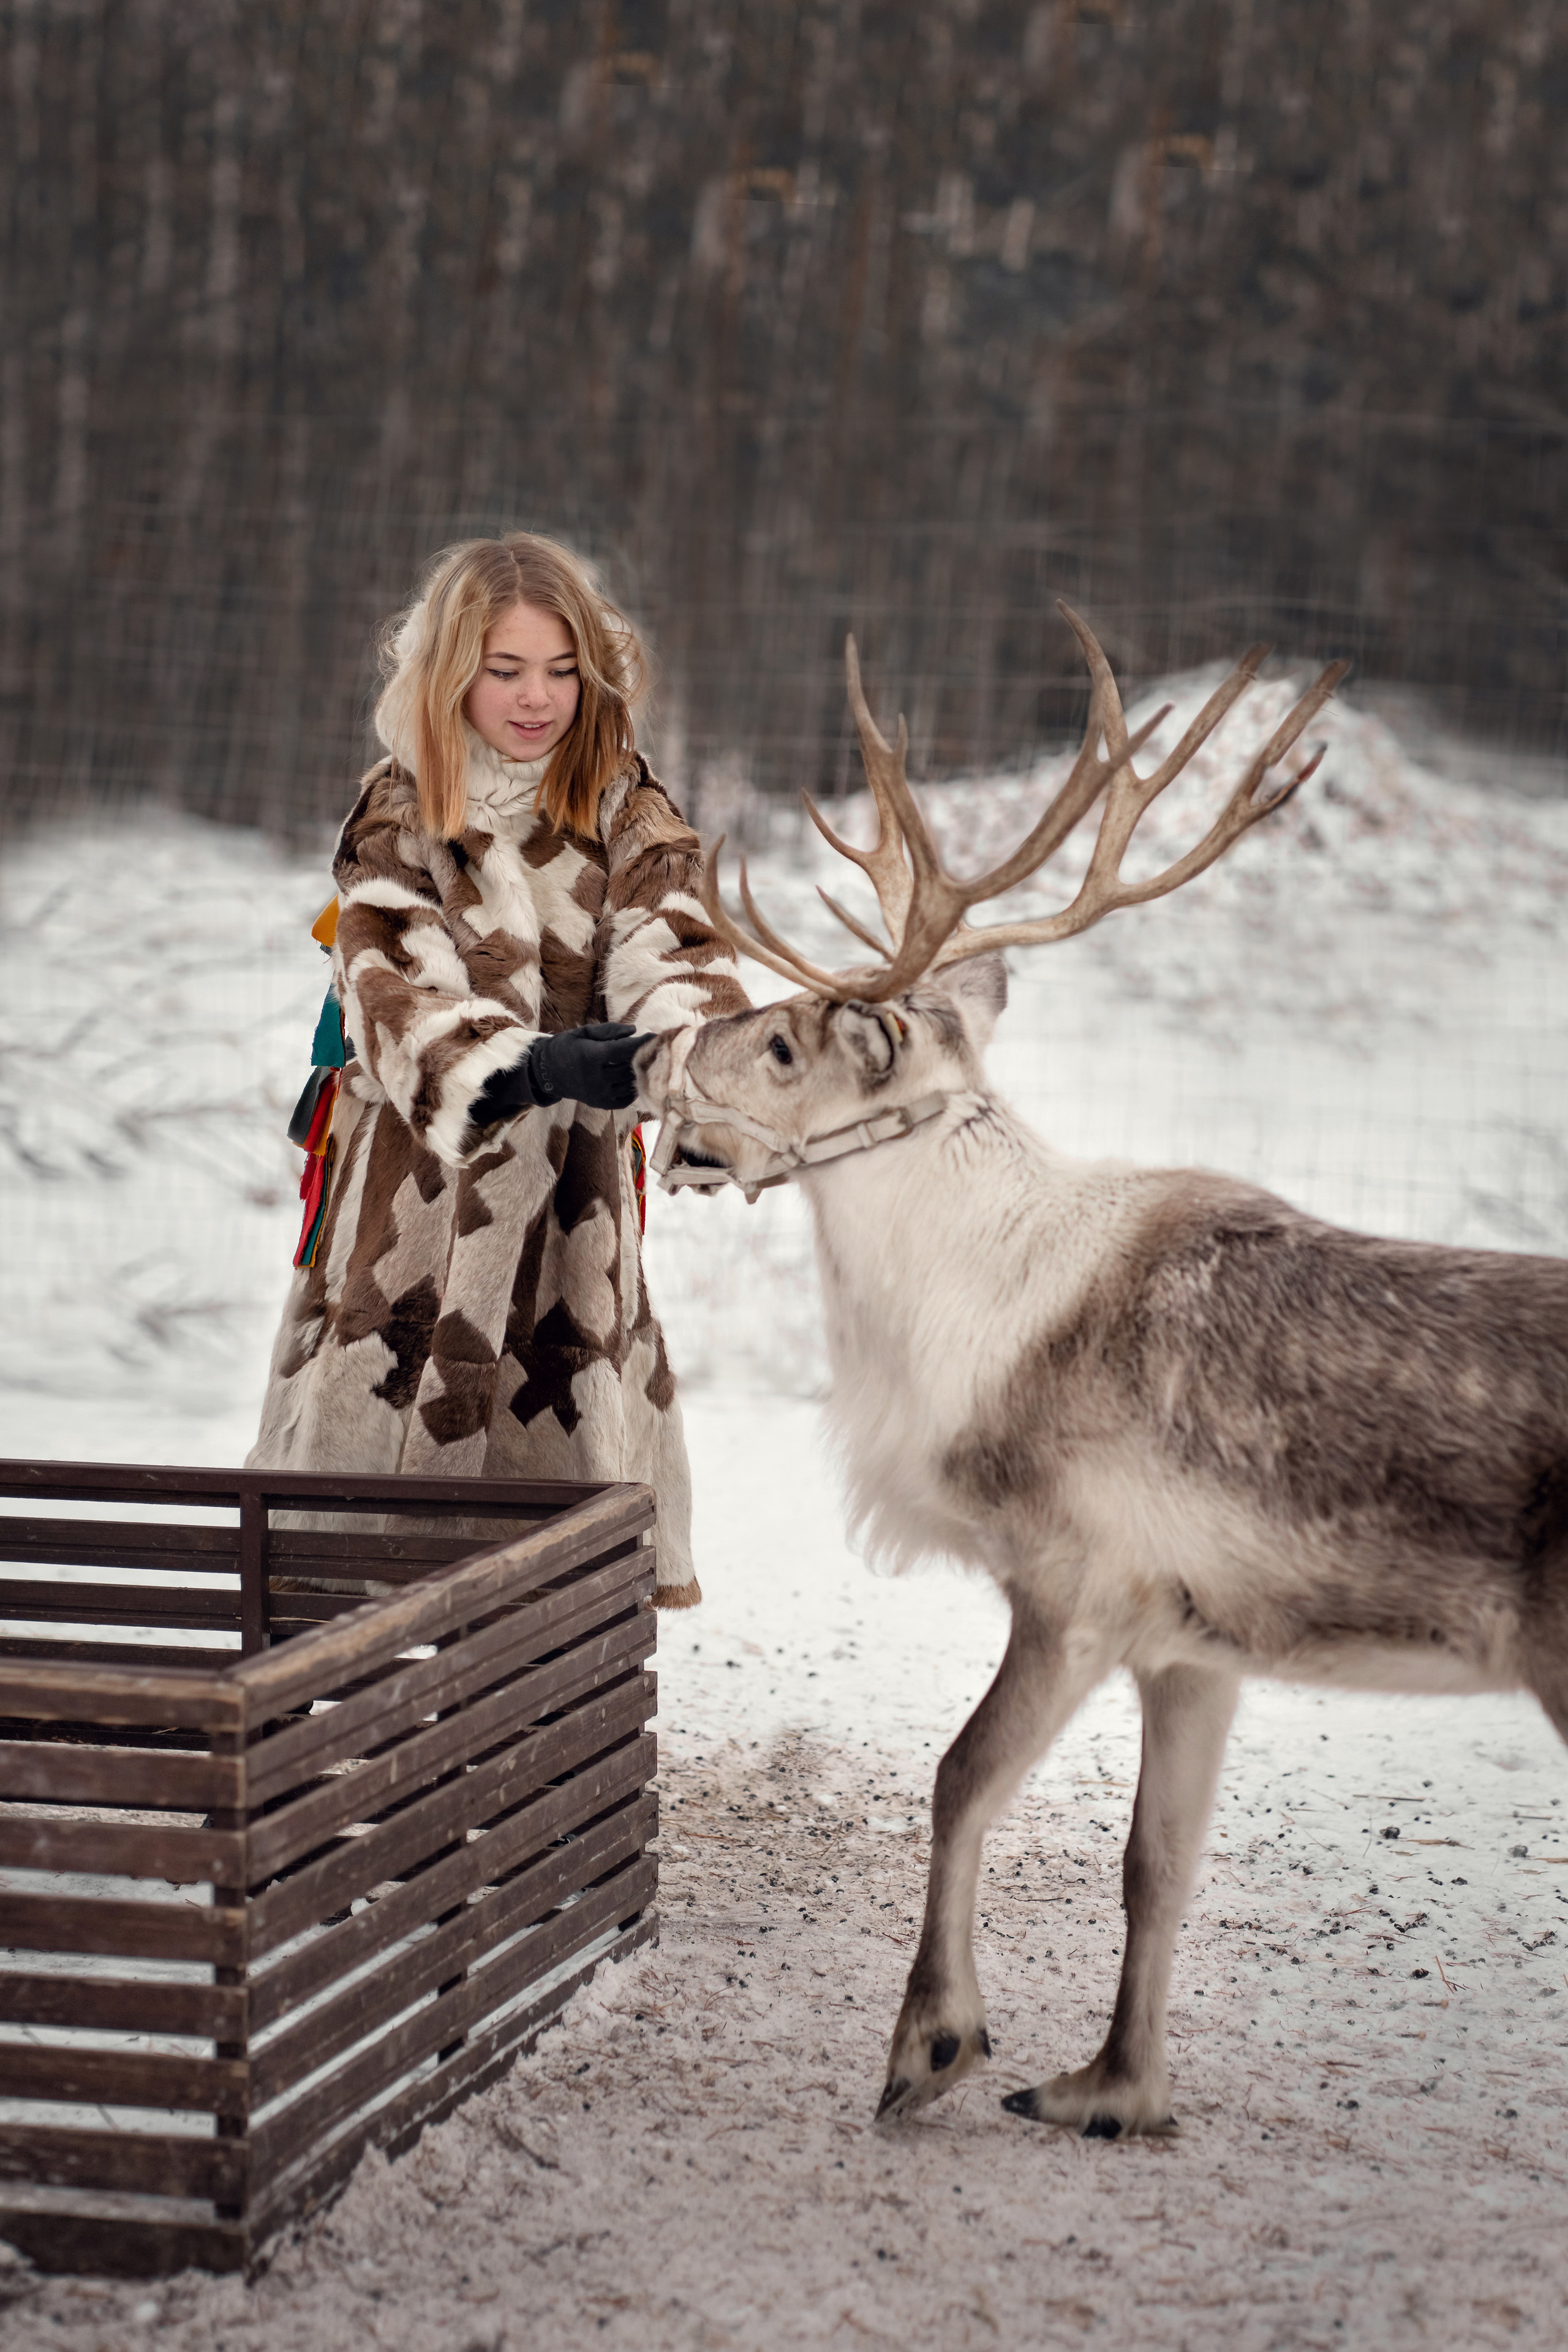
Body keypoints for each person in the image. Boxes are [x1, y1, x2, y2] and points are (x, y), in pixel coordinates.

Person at [247, 533, 747, 1605]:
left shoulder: (628, 810)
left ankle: (541, 1727)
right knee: (359, 1538)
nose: (538, 699)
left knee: (553, 1536)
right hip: (410, 1217)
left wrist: (718, 1077)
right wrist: (525, 1063)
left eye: (563, 672)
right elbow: (392, 991)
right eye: (507, 670)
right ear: (449, 673)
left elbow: (680, 952)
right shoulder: (399, 815)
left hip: (572, 1220)